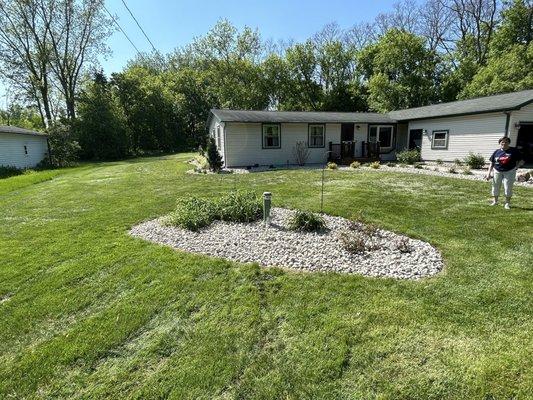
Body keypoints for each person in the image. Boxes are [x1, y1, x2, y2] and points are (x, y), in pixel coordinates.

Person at [485, 137, 524, 209]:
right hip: (497, 171)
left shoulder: (514, 151)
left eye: (506, 142)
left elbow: (521, 161)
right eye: (502, 142)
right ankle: (495, 201)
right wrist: (488, 173)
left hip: (509, 171)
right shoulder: (496, 152)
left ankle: (507, 204)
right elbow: (491, 163)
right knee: (495, 186)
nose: (504, 143)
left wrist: (516, 167)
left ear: (509, 143)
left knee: (508, 187)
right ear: (499, 143)